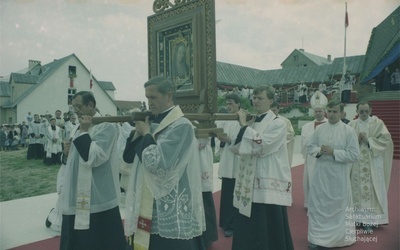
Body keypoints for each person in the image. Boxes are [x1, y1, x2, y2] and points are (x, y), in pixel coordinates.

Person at [122, 76, 205, 250]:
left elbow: (159, 164)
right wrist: (139, 133)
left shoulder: (181, 126)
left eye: (153, 97)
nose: (149, 102)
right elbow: (128, 157)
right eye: (147, 98)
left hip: (169, 199)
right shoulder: (151, 122)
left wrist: (145, 134)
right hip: (146, 200)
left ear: (169, 95)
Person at [60, 91, 127, 250]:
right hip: (78, 192)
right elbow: (74, 160)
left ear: (91, 105)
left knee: (99, 240)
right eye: (73, 107)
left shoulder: (106, 126)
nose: (75, 110)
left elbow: (95, 158)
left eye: (79, 106)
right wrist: (66, 153)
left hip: (99, 195)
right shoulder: (78, 126)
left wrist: (84, 132)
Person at [230, 85, 293, 250]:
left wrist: (244, 127)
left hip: (266, 179)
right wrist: (238, 132)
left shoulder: (278, 123)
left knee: (266, 222)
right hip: (248, 179)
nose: (256, 101)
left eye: (260, 98)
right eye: (254, 97)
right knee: (249, 221)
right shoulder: (252, 121)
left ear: (271, 101)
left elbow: (262, 146)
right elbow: (238, 148)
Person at [307, 100, 360, 249]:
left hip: (338, 174)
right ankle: (317, 238)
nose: (330, 114)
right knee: (319, 204)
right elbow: (310, 146)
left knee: (337, 206)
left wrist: (334, 152)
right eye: (328, 111)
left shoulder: (348, 131)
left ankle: (337, 239)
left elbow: (354, 155)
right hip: (321, 172)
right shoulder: (320, 129)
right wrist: (318, 151)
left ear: (342, 113)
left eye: (334, 111)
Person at [348, 101, 393, 233]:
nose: (364, 114)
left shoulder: (377, 123)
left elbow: (386, 139)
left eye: (366, 111)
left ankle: (369, 221)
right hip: (356, 164)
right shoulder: (352, 125)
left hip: (372, 162)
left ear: (370, 110)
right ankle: (357, 218)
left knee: (371, 190)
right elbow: (346, 142)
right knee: (356, 189)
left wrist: (369, 140)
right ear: (357, 111)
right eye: (361, 111)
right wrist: (356, 138)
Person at [214, 93, 241, 238]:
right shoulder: (224, 119)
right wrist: (222, 140)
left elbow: (246, 138)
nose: (229, 106)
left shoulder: (243, 119)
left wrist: (231, 140)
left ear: (238, 104)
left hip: (239, 161)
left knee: (239, 193)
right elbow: (218, 141)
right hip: (227, 160)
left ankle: (238, 223)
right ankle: (226, 224)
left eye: (231, 103)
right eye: (227, 103)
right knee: (227, 193)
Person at [301, 91, 328, 208]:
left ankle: (323, 204)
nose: (318, 113)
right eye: (316, 111)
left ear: (324, 112)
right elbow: (303, 143)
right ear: (313, 112)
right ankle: (310, 203)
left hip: (325, 159)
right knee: (310, 180)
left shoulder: (330, 125)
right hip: (311, 159)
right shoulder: (306, 126)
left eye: (320, 111)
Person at [198, 137, 218, 248]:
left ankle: (207, 237)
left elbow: (202, 141)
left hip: (201, 162)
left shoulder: (202, 122)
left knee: (205, 200)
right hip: (189, 162)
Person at [270, 101, 295, 167]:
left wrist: (277, 137)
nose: (272, 112)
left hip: (281, 150)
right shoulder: (265, 121)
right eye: (271, 110)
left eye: (274, 110)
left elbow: (291, 135)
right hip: (269, 150)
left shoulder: (285, 121)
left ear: (278, 109)